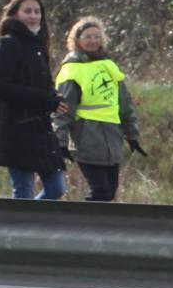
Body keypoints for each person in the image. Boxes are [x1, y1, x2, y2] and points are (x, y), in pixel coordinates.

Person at [53, 17, 145, 201]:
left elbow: (124, 105)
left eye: (97, 36)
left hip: (112, 138)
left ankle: (97, 228)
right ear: (77, 40)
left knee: (110, 192)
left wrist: (132, 135)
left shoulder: (109, 66)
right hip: (86, 137)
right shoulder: (72, 70)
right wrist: (61, 141)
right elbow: (63, 109)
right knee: (100, 192)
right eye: (88, 36)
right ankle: (83, 227)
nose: (93, 40)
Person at [0, 0, 67, 200]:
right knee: (23, 193)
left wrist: (53, 98)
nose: (33, 16)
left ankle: (29, 226)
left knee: (57, 187)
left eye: (37, 11)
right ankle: (18, 231)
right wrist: (43, 98)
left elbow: (42, 84)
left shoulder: (38, 46)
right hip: (15, 129)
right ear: (15, 14)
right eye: (27, 11)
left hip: (40, 129)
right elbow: (0, 87)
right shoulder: (8, 44)